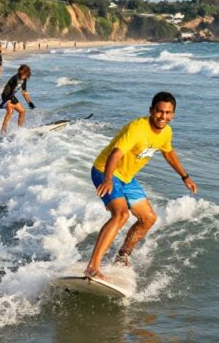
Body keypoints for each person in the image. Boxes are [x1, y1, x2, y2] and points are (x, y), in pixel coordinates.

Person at [85, 92, 198, 278]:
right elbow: (115, 154)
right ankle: (93, 267)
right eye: (159, 112)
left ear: (173, 114)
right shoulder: (137, 128)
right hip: (105, 171)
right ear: (151, 111)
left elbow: (168, 153)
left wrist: (185, 176)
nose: (163, 117)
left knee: (148, 218)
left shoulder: (166, 132)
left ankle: (122, 256)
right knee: (120, 215)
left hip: (127, 178)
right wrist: (107, 179)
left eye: (168, 113)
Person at [0, 64, 35, 133]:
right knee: (10, 112)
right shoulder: (16, 78)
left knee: (22, 111)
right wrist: (7, 100)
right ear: (21, 72)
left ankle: (19, 130)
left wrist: (30, 103)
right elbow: (11, 90)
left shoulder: (24, 80)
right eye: (24, 74)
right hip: (6, 95)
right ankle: (3, 131)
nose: (25, 76)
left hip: (11, 96)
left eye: (26, 74)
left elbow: (24, 93)